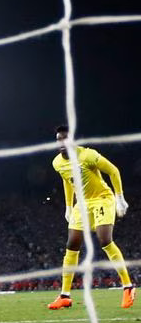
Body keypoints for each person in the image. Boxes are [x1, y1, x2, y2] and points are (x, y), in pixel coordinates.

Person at [47, 125, 132, 310]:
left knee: (105, 240)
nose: (62, 143)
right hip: (82, 204)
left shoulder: (87, 155)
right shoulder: (57, 163)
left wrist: (120, 198)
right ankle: (65, 296)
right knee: (72, 244)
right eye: (59, 139)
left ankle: (128, 287)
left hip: (102, 198)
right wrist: (69, 206)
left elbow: (113, 171)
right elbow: (67, 181)